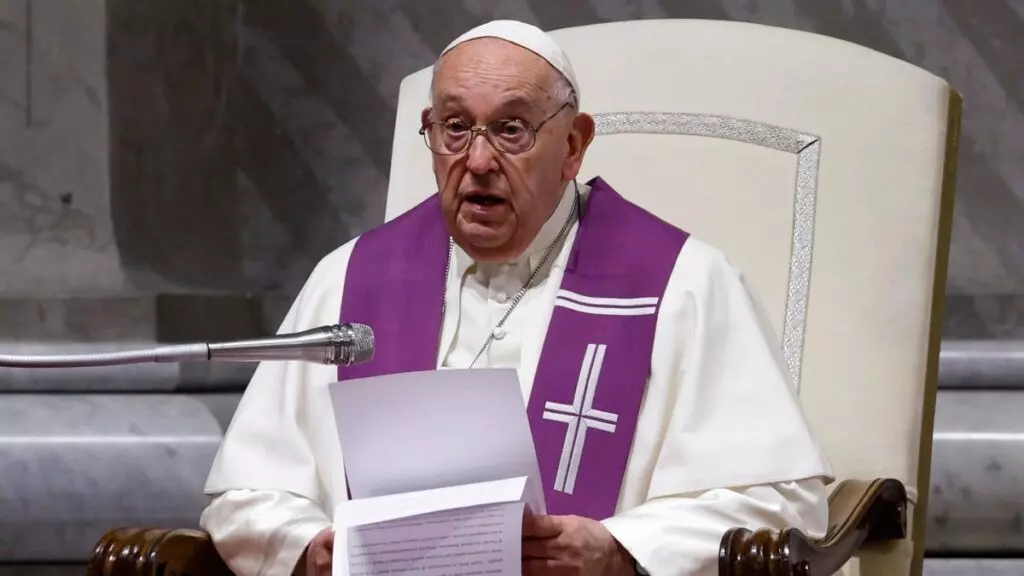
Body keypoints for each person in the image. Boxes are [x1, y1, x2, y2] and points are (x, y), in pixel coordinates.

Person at [200, 19, 833, 576]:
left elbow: (781, 502)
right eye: (453, 128)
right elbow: (247, 494)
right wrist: (309, 548)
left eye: (510, 130)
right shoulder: (351, 280)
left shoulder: (683, 284)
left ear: (574, 146)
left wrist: (621, 548)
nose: (476, 160)